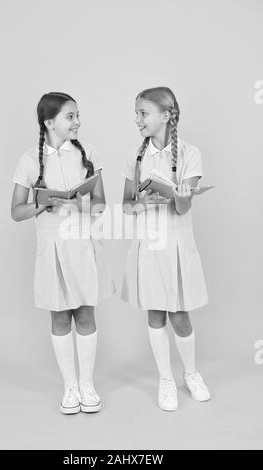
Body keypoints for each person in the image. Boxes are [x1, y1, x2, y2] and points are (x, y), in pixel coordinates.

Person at [11, 92, 115, 414]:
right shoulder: (30, 160)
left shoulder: (88, 153)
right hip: (52, 248)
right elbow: (16, 211)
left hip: (83, 245)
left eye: (77, 115)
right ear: (49, 122)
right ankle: (69, 386)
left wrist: (76, 203)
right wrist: (44, 203)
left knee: (85, 313)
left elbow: (100, 203)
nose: (77, 122)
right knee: (60, 315)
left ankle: (87, 383)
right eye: (70, 116)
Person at [121, 87, 211, 411]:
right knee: (156, 312)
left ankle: (190, 373)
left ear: (166, 115)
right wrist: (140, 202)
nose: (137, 119)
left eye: (143, 113)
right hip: (149, 245)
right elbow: (126, 207)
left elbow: (184, 209)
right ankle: (165, 379)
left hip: (176, 243)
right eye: (137, 113)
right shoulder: (136, 156)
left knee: (179, 313)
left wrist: (182, 196)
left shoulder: (190, 154)